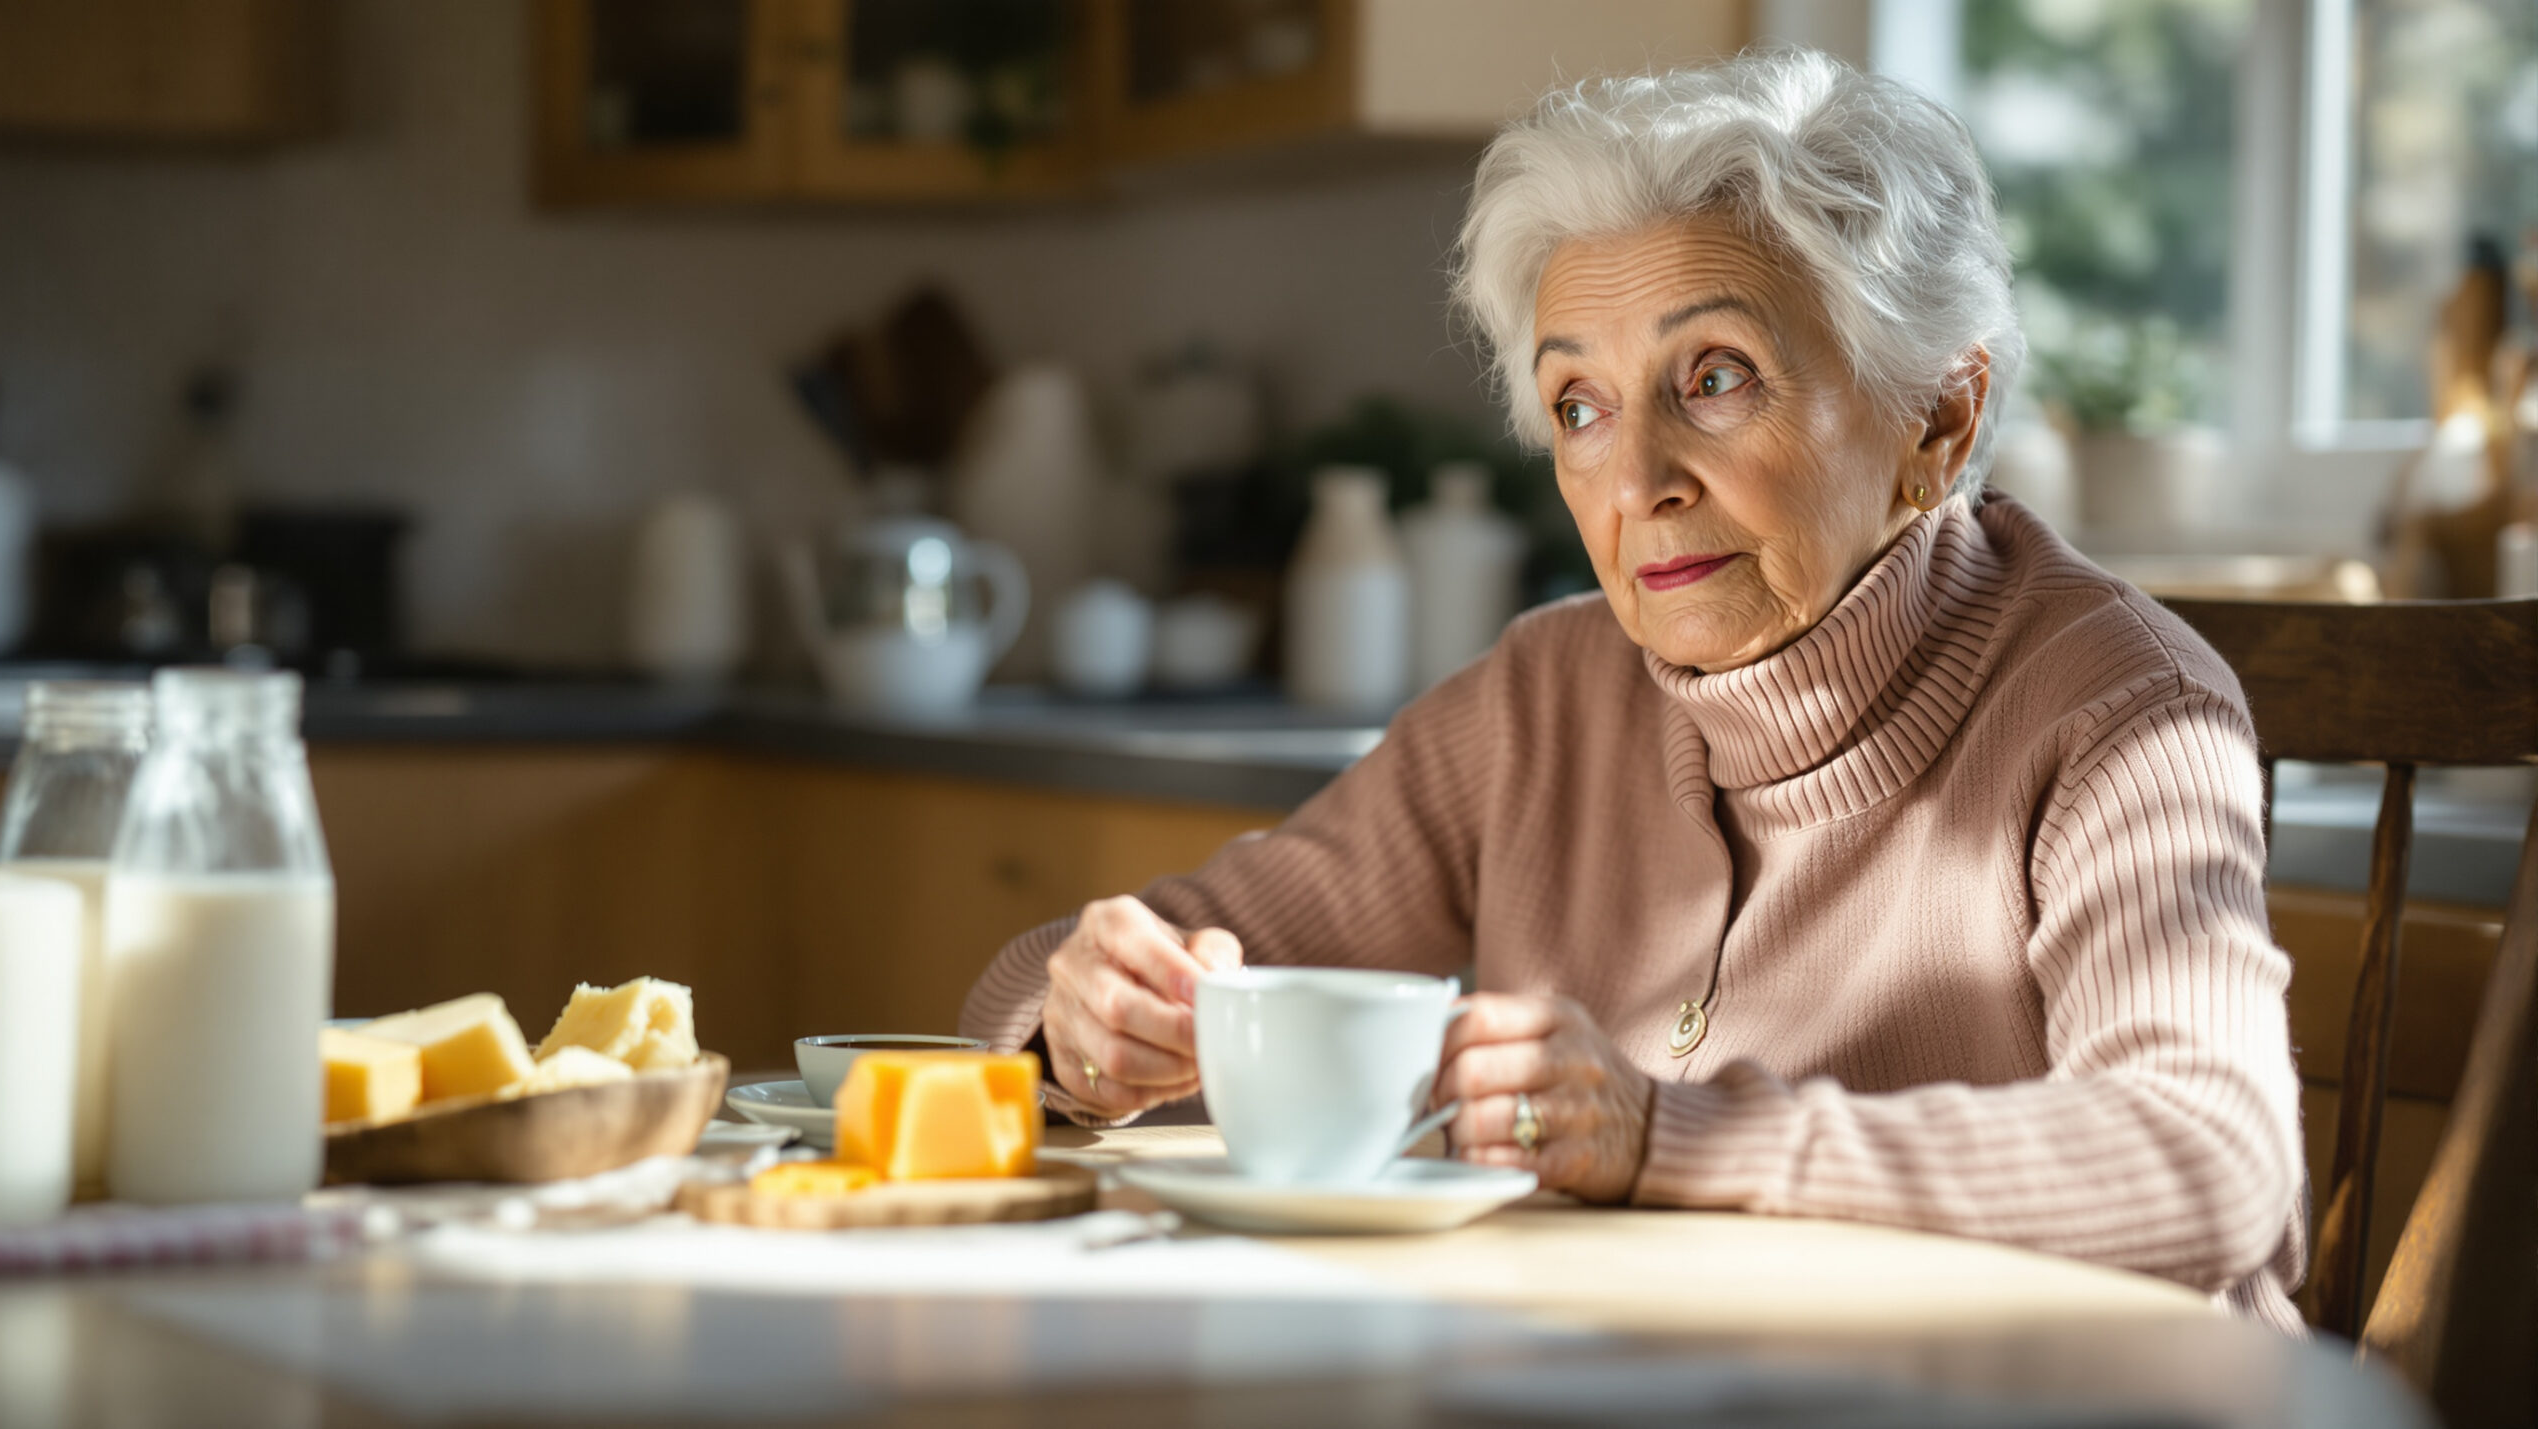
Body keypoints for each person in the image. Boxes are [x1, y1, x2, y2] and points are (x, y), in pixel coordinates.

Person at [961, 49, 2306, 1330]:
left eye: (1714, 378)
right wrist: (1089, 1028)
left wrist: (1681, 1133)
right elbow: (1074, 975)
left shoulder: (2121, 708)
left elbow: (2209, 1157)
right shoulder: (1543, 697)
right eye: (1580, 406)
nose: (1634, 481)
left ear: (1938, 423)